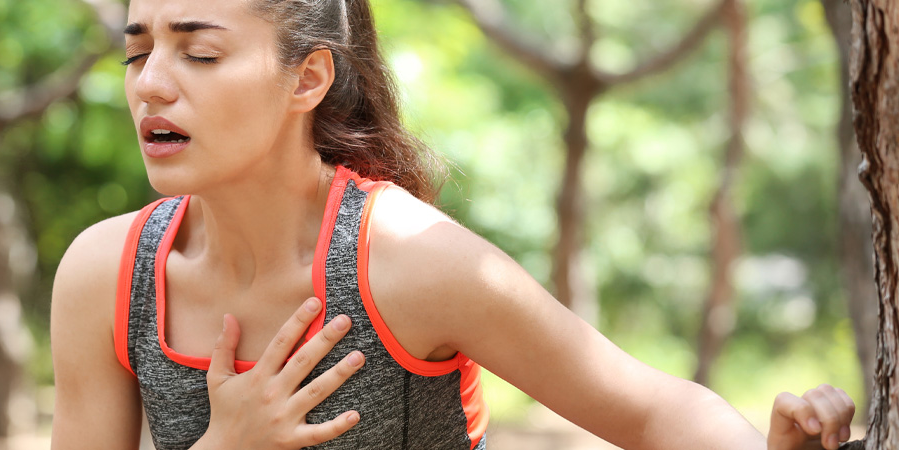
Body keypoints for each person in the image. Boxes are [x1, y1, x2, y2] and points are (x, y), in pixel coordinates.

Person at [49, 0, 857, 448]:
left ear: (309, 79)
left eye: (199, 54)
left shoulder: (409, 262)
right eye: (137, 51)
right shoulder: (104, 274)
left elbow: (647, 409)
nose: (150, 84)